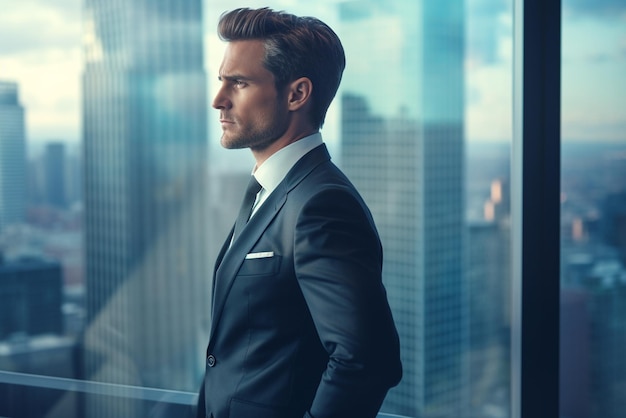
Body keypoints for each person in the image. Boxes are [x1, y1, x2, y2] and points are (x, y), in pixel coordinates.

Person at [198, 7, 402, 418]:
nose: (218, 99)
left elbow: (366, 361)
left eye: (238, 82)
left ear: (297, 94)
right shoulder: (268, 191)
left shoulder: (323, 205)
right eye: (222, 80)